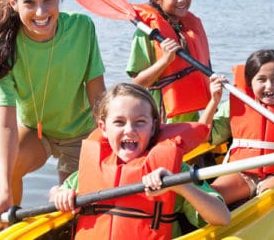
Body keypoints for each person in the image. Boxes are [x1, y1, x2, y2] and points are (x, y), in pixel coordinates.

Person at [0, 0, 105, 231]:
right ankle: (4, 230)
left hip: (81, 134)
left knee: (71, 209)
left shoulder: (82, 28)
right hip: (37, 132)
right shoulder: (3, 47)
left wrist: (107, 144)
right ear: (13, 3)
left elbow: (98, 96)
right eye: (29, 2)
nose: (41, 12)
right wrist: (4, 191)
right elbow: (4, 127)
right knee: (0, 172)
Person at [50, 83, 230, 239]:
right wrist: (59, 193)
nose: (129, 130)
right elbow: (57, 193)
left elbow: (222, 217)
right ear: (103, 128)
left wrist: (179, 185)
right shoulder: (88, 172)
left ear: (153, 128)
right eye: (119, 122)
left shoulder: (172, 171)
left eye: (140, 122)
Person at [126, 0, 211, 123]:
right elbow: (136, 84)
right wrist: (165, 61)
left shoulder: (189, 29)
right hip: (161, 120)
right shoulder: (146, 33)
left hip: (191, 117)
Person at [200, 49, 274, 206]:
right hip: (243, 172)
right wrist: (214, 101)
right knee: (206, 201)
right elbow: (203, 136)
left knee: (266, 200)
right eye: (262, 79)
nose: (269, 86)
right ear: (250, 82)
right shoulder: (236, 105)